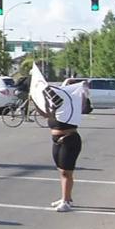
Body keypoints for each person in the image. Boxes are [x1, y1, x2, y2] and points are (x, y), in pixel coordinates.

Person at [37, 75, 86, 213]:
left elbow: (81, 100)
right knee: (61, 170)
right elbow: (46, 112)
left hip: (69, 139)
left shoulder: (73, 105)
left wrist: (80, 89)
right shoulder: (59, 103)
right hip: (56, 140)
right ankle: (66, 197)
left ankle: (66, 201)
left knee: (66, 172)